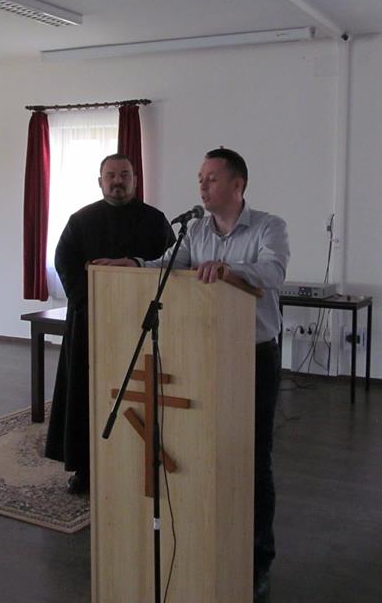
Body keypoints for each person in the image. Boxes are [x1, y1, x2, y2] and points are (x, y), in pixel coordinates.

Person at [96, 147, 289, 603]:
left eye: (212, 178)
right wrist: (133, 266)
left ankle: (257, 561)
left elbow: (273, 273)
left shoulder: (268, 227)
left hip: (253, 355)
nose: (202, 185)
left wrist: (229, 270)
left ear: (238, 184)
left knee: (253, 457)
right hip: (202, 356)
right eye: (200, 177)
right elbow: (168, 266)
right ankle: (209, 541)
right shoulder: (196, 230)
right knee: (205, 450)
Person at [44, 154, 175, 495]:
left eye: (125, 175)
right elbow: (64, 261)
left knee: (139, 397)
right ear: (100, 181)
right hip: (91, 323)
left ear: (135, 180)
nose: (118, 181)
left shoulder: (155, 221)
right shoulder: (81, 220)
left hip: (140, 324)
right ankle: (85, 469)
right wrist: (91, 302)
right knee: (87, 395)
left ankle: (136, 466)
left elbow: (171, 265)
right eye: (111, 175)